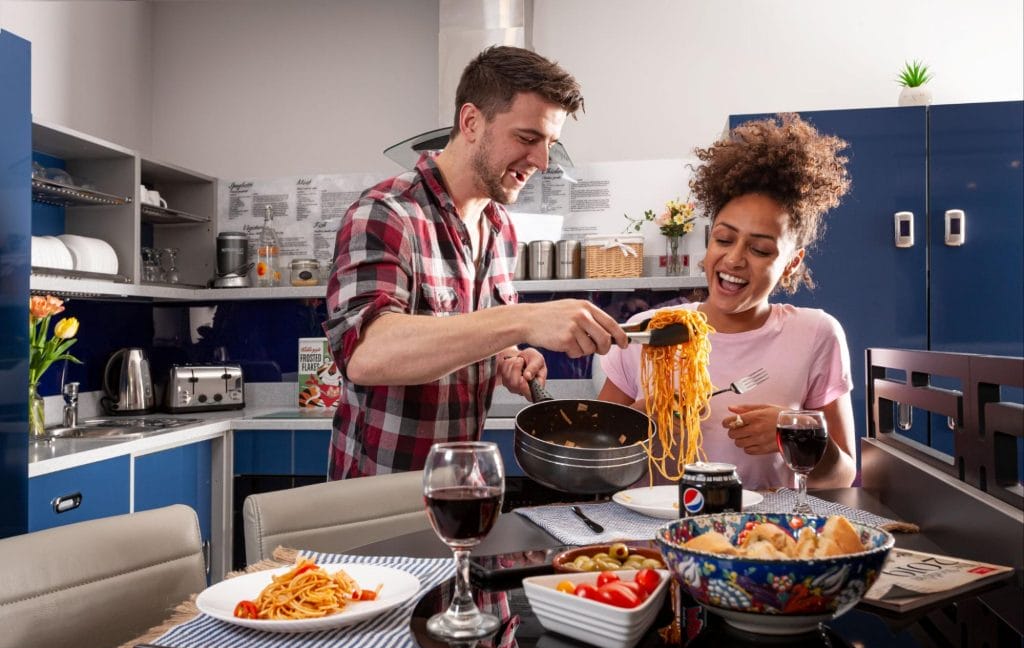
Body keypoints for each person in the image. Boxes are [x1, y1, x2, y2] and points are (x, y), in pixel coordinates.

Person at [323, 46, 628, 480]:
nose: (542, 162)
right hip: (377, 502)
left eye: (550, 144)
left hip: (458, 486)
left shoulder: (499, 226)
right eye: (527, 138)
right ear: (471, 122)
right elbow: (369, 354)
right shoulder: (387, 214)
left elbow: (471, 334)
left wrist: (508, 358)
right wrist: (520, 321)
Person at [598, 113, 857, 491]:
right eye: (723, 239)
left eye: (760, 249)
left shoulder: (816, 334)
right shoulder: (651, 330)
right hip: (651, 535)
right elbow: (593, 461)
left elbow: (843, 475)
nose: (734, 259)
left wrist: (798, 437)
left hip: (763, 536)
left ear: (791, 263)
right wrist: (638, 424)